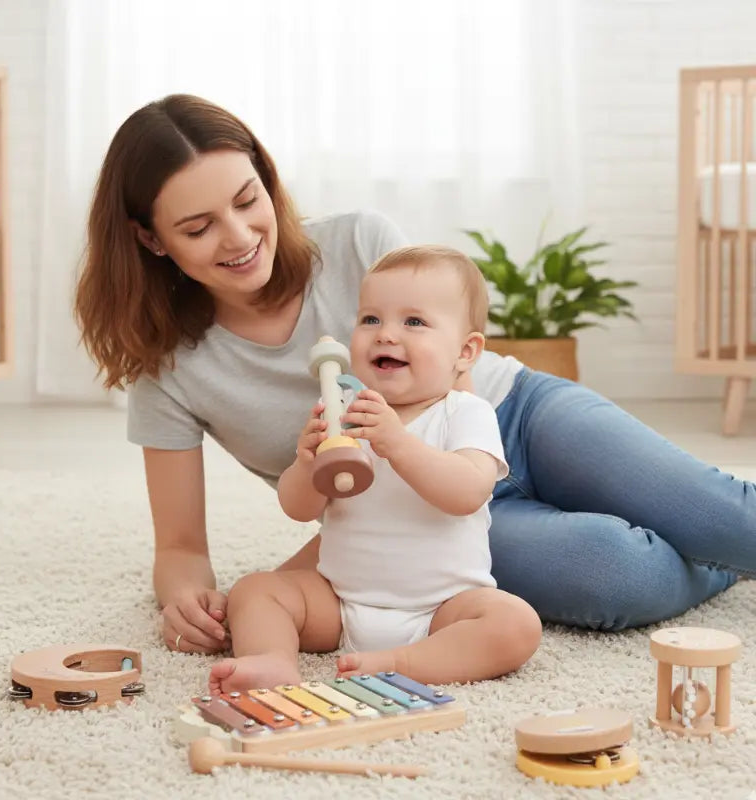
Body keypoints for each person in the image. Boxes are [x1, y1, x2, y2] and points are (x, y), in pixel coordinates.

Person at [75, 94, 756, 656]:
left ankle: (713, 539)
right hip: (422, 521)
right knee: (614, 571)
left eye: (247, 199)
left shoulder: (357, 241)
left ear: (267, 179)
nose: (240, 235)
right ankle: (715, 563)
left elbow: (456, 384)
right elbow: (181, 546)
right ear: (150, 238)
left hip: (511, 414)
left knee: (718, 511)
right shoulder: (166, 367)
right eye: (199, 227)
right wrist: (188, 600)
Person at [206, 245, 541, 692]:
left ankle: (402, 662)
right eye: (370, 319)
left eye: (413, 322)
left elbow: (468, 492)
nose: (385, 335)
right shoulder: (342, 410)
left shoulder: (465, 412)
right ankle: (272, 660)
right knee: (254, 590)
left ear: (465, 352)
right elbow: (298, 509)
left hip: (442, 609)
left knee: (515, 623)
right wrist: (306, 465)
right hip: (340, 600)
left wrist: (398, 444)